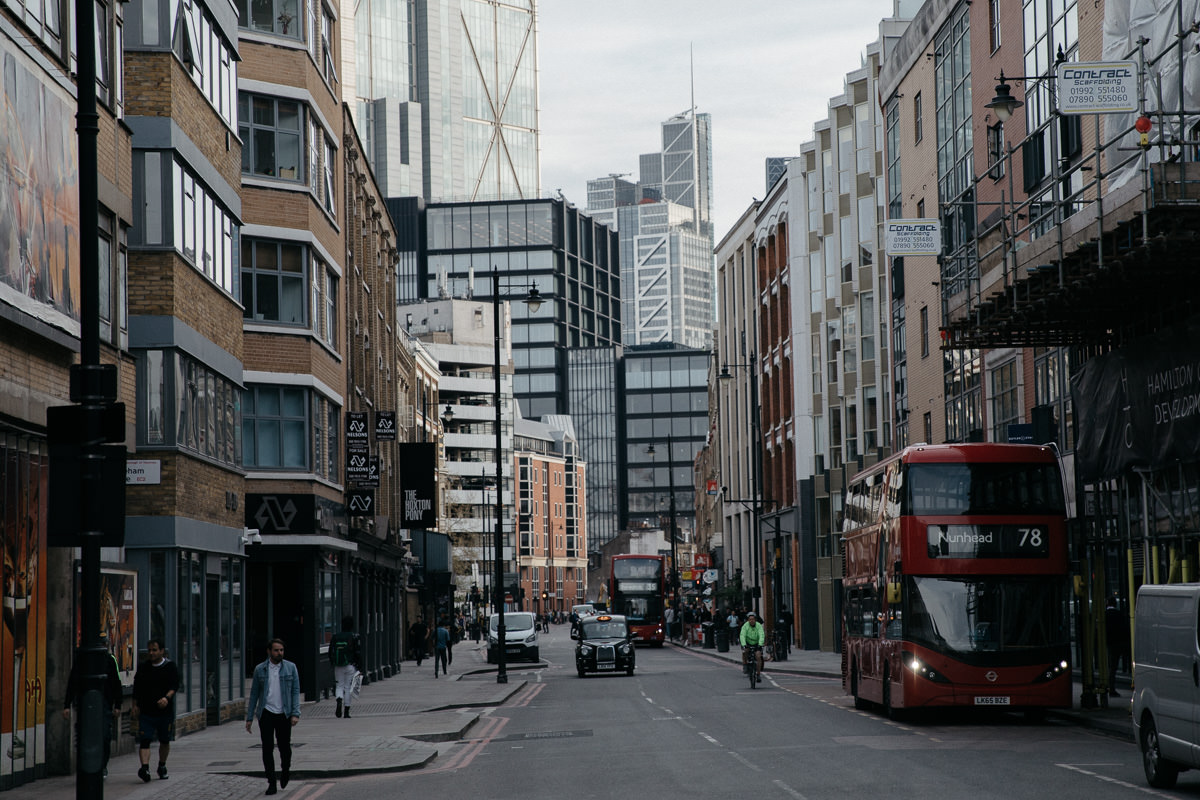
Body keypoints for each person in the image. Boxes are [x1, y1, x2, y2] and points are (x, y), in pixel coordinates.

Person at [246, 638, 301, 796]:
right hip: (266, 713)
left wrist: (295, 713)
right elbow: (254, 694)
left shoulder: (291, 668)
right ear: (269, 651)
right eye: (276, 650)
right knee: (267, 748)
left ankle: (285, 770)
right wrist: (250, 718)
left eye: (282, 650)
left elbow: (295, 691)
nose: (279, 653)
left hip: (284, 713)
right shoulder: (260, 669)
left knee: (285, 748)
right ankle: (271, 782)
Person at [62, 640, 122, 779]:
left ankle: (102, 765)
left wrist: (118, 705)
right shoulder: (82, 660)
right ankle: (87, 765)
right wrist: (67, 704)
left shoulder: (109, 661)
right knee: (84, 735)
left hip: (105, 704)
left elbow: (116, 683)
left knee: (105, 736)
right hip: (85, 703)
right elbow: (73, 682)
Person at [131, 639, 180, 782]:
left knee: (164, 740)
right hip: (146, 711)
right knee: (145, 739)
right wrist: (134, 705)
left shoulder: (170, 667)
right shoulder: (143, 668)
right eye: (149, 650)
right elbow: (137, 688)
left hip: (164, 712)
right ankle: (144, 768)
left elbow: (174, 685)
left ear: (161, 651)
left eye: (154, 650)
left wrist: (166, 698)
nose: (151, 653)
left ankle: (162, 765)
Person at [328, 615, 361, 719]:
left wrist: (332, 662)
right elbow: (358, 652)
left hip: (338, 665)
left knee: (339, 686)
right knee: (348, 687)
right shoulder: (354, 636)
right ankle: (346, 711)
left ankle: (338, 700)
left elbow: (330, 651)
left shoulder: (335, 636)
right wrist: (360, 666)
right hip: (350, 665)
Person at [739, 611, 766, 677]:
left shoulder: (758, 625)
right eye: (750, 619)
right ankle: (745, 664)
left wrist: (760, 644)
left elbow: (761, 635)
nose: (751, 621)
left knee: (758, 656)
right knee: (744, 652)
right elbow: (742, 635)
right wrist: (744, 644)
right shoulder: (745, 626)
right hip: (747, 643)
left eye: (753, 619)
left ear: (755, 620)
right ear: (748, 620)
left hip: (757, 643)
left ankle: (758, 674)